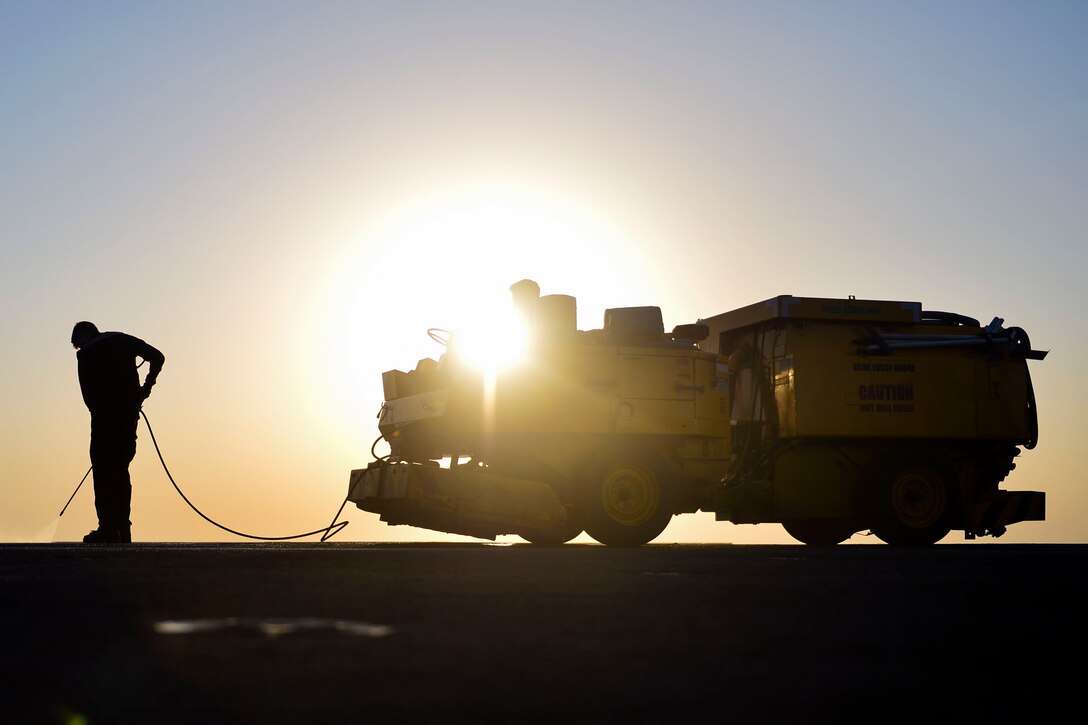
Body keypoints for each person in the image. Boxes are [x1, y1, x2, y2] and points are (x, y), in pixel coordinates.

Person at [71, 321, 165, 543]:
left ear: (85, 335)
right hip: (127, 416)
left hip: (104, 420)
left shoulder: (86, 354)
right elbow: (158, 357)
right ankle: (122, 529)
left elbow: (89, 397)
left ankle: (108, 528)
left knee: (103, 472)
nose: (78, 349)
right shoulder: (123, 339)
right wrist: (145, 390)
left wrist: (103, 412)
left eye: (78, 344)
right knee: (121, 470)